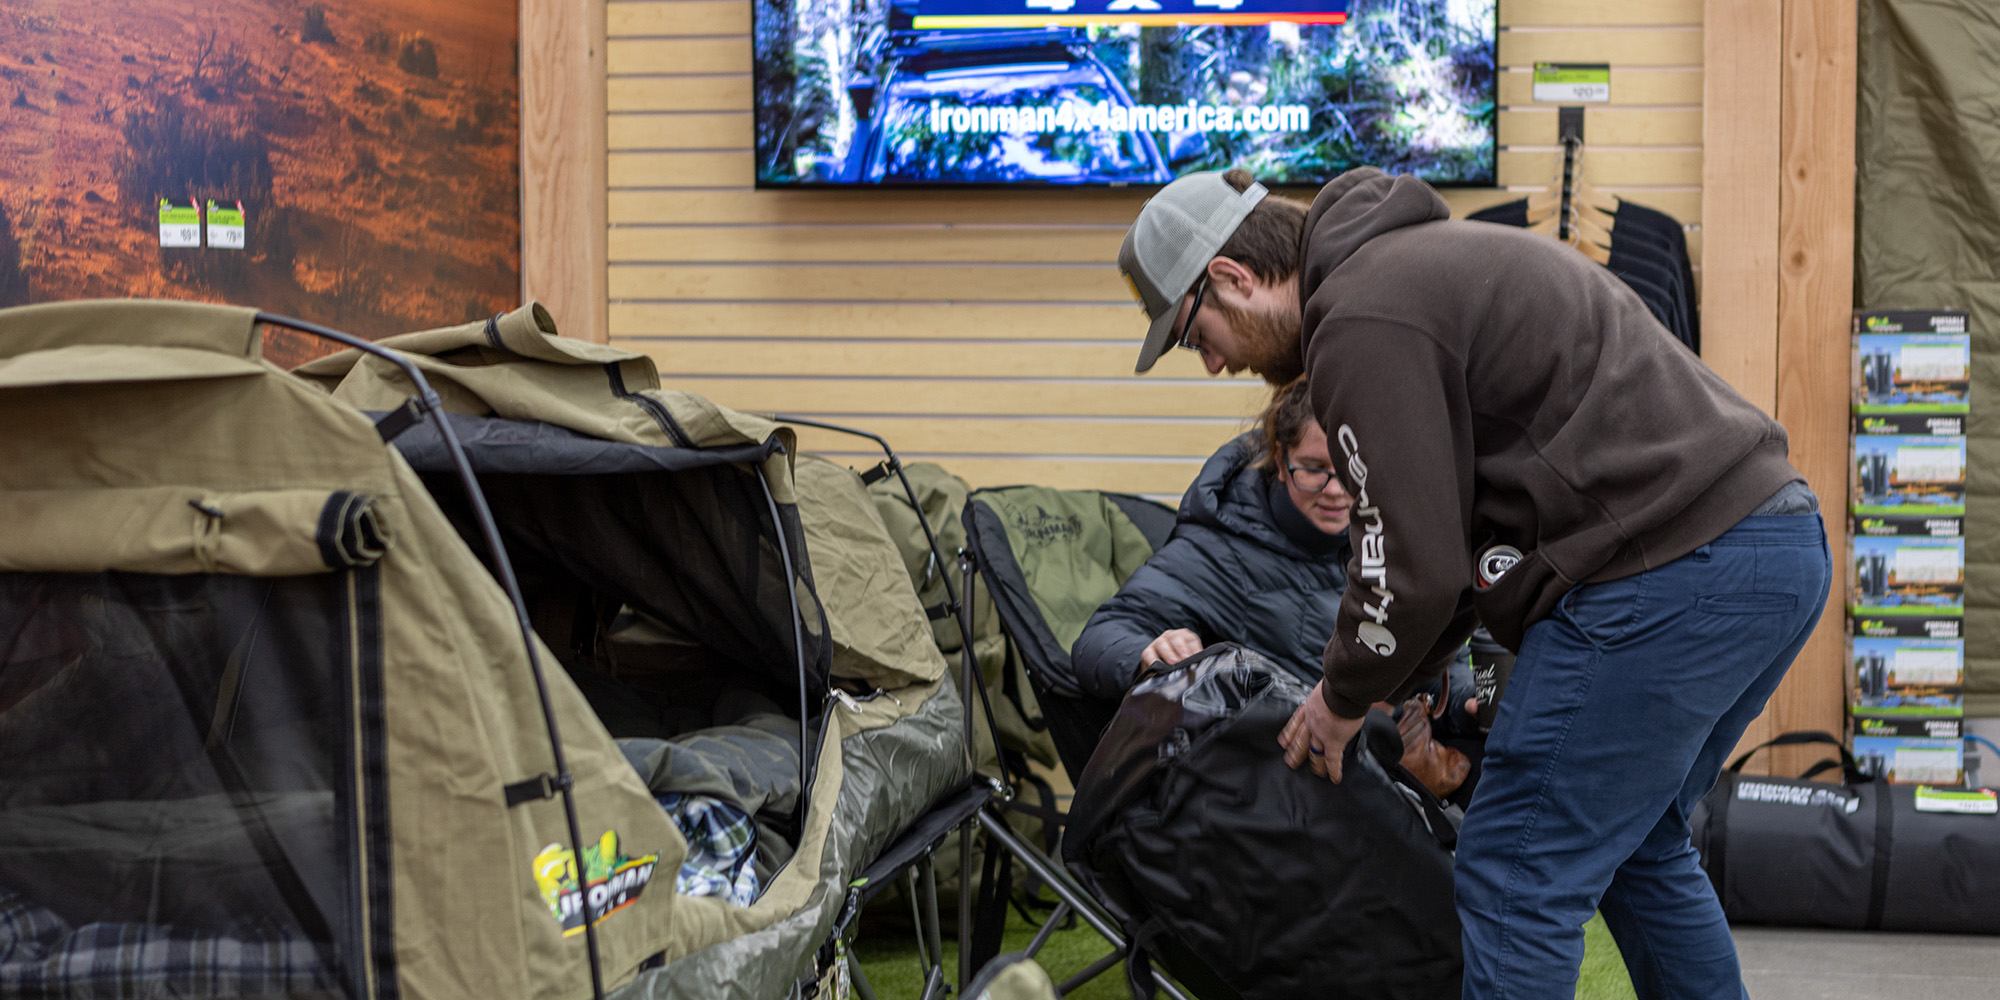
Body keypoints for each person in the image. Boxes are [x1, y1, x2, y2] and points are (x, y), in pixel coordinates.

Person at [1113, 167, 1832, 999]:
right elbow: (1450, 550)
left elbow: (1407, 565)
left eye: (1196, 335)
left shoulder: (1362, 317)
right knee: (1640, 846)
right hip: (1770, 544)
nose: (1209, 365)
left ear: (1232, 278)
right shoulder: (1408, 270)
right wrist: (1401, 684)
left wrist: (1340, 699)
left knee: (1513, 870)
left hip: (1664, 568)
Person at [1071, 378, 1476, 799]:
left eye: (1351, 473)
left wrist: (1467, 703)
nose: (1336, 492)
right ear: (1280, 461)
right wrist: (1147, 653)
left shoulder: (1386, 537)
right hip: (1288, 791)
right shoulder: (1219, 548)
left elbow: (1431, 658)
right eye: (1315, 470)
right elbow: (1098, 639)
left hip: (1383, 770)